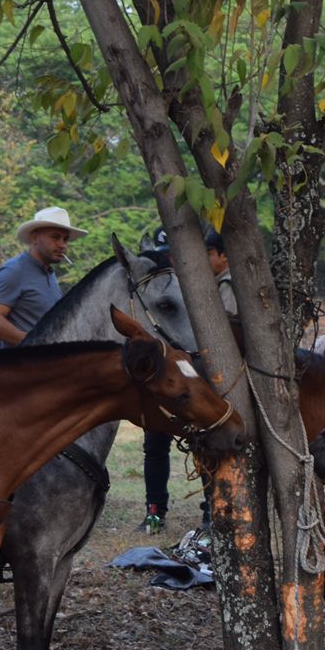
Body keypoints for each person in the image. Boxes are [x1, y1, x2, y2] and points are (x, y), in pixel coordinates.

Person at [143, 227, 233, 534]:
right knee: (154, 441)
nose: (170, 260)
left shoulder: (205, 285)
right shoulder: (155, 287)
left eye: (175, 254)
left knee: (204, 442)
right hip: (163, 373)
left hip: (198, 376)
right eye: (164, 255)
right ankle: (154, 510)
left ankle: (210, 510)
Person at [0, 206, 86, 346]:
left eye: (65, 239)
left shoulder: (49, 274)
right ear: (35, 238)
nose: (63, 245)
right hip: (20, 365)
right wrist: (34, 343)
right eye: (55, 237)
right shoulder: (14, 271)